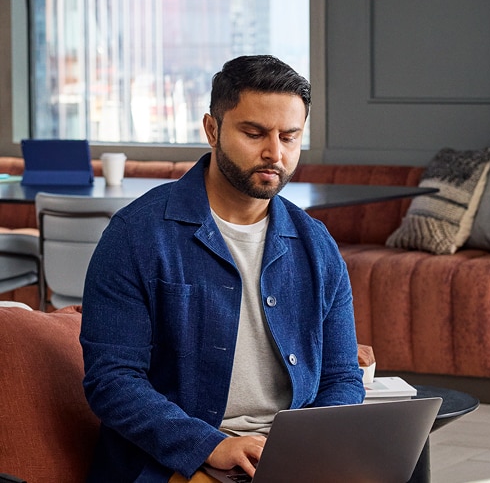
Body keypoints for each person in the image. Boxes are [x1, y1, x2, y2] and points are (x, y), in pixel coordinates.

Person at [80, 55, 366, 482]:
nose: (275, 153)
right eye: (254, 133)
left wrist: (310, 451)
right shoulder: (135, 235)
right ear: (212, 129)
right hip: (177, 456)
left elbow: (341, 377)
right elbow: (113, 381)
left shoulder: (316, 244)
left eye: (290, 137)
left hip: (287, 458)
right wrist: (210, 446)